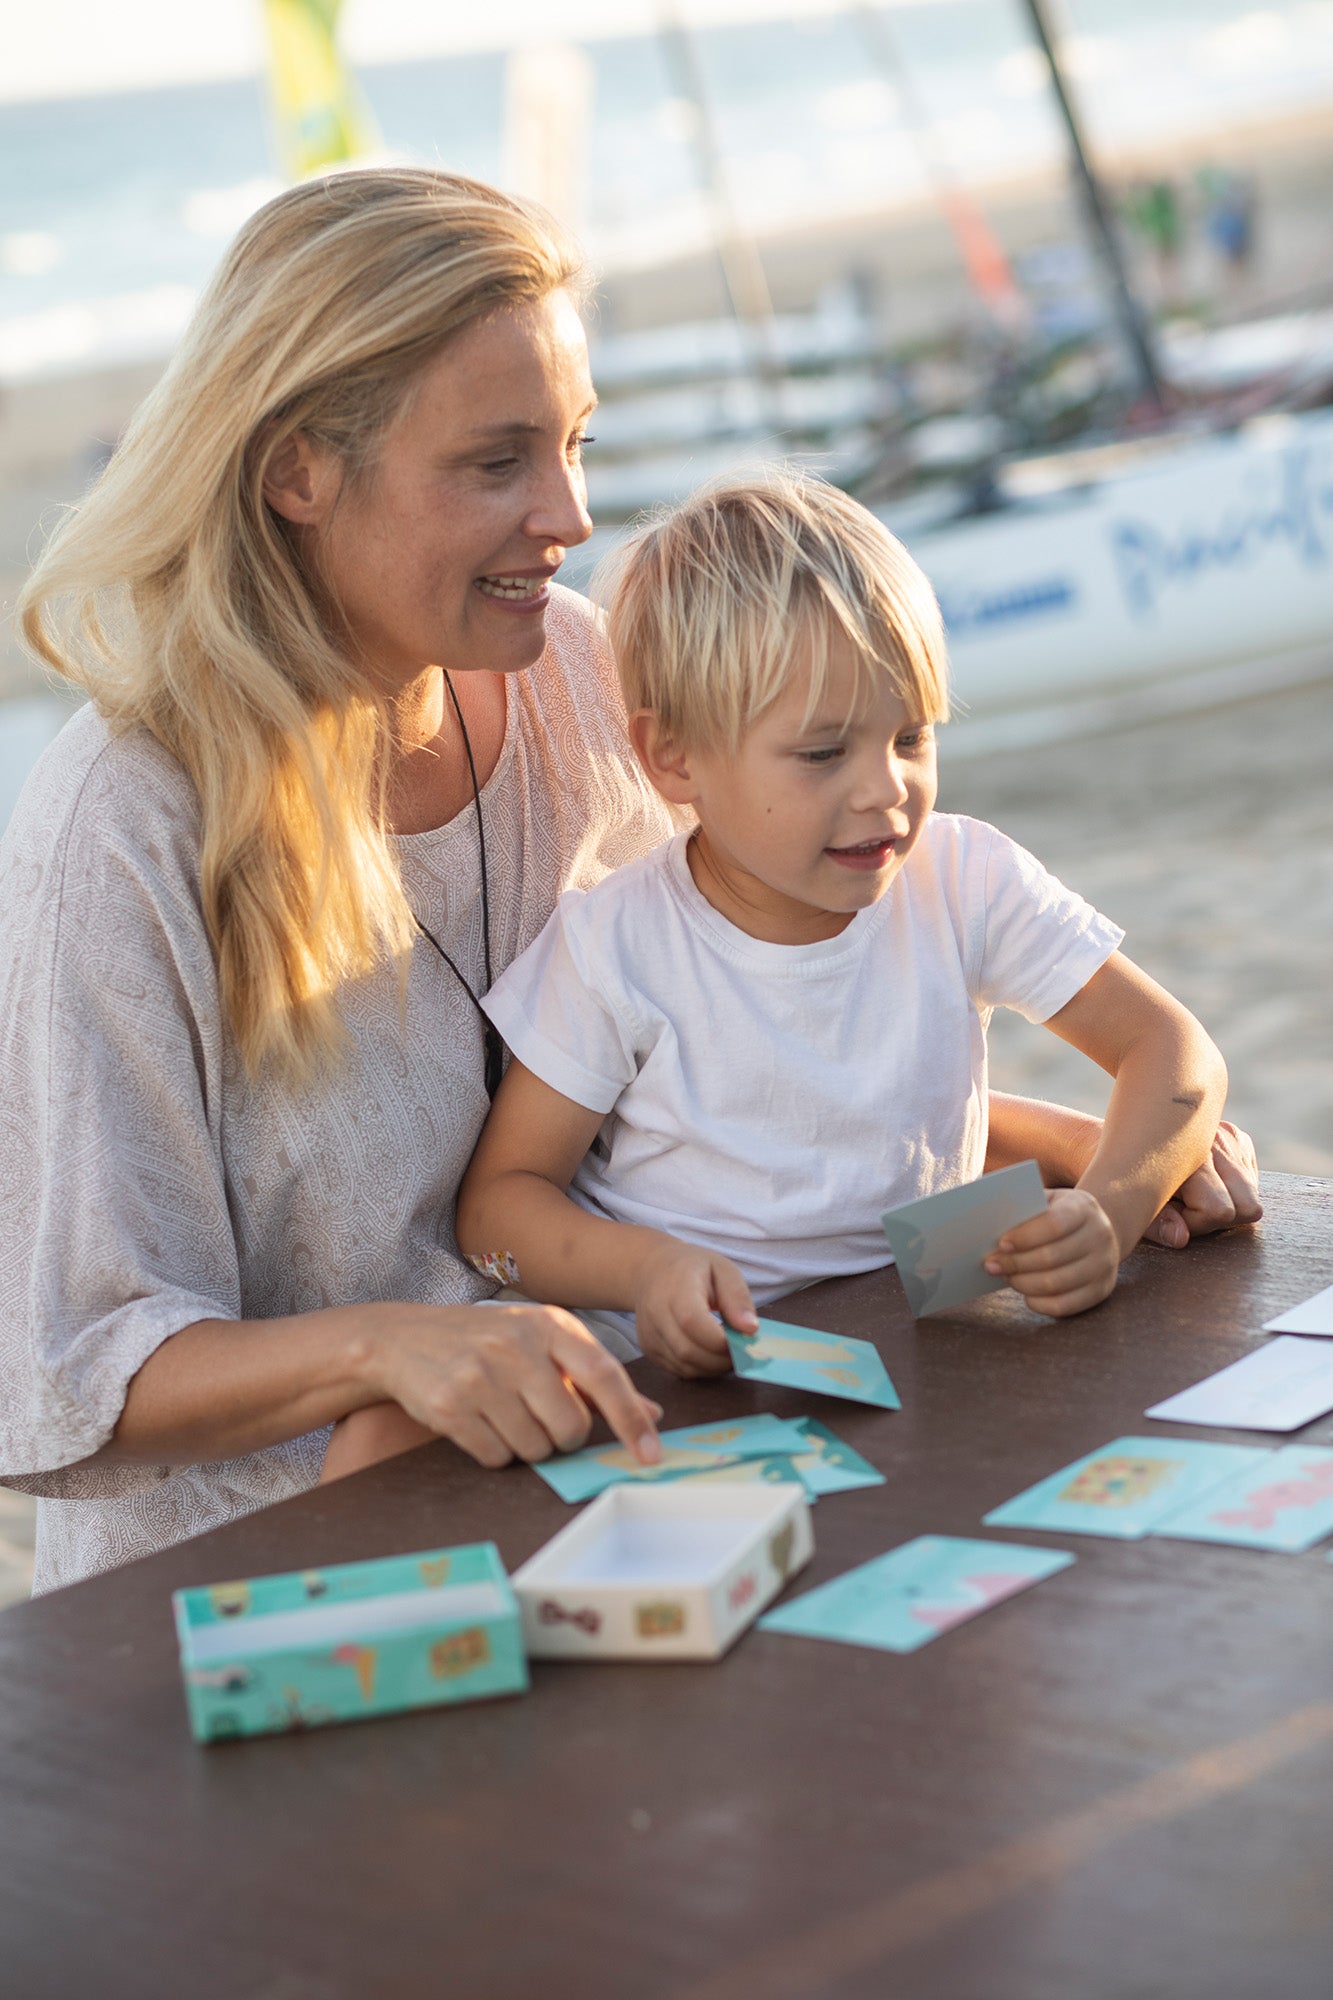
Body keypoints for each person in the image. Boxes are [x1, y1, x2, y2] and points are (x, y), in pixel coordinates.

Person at [1, 173, 1257, 1577]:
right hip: (268, 1616)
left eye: (577, 445)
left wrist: (1088, 1155)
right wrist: (395, 1354)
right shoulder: (119, 831)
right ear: (298, 470)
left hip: (621, 1509)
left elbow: (725, 1049)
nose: (570, 514)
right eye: (497, 462)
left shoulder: (579, 672)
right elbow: (61, 1369)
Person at [325, 472, 1253, 1473]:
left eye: (910, 735)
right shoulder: (616, 946)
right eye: (821, 753)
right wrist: (650, 1274)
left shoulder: (965, 878)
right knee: (382, 1439)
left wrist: (1108, 1209)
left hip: (921, 1326)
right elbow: (500, 1205)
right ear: (672, 760)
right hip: (675, 1370)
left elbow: (1170, 1049)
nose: (884, 788)